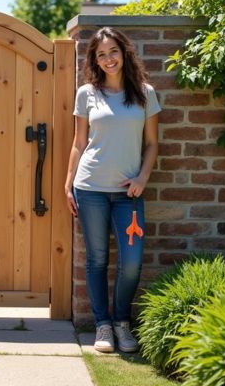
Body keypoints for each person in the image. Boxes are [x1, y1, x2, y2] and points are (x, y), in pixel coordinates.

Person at [64, 27, 160, 353]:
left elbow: (151, 144)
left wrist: (142, 178)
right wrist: (68, 183)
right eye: (101, 54)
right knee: (96, 260)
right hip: (89, 188)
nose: (108, 59)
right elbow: (79, 144)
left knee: (131, 261)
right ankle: (103, 326)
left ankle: (122, 323)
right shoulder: (86, 93)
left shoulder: (145, 93)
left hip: (128, 194)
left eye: (113, 52)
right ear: (94, 59)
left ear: (124, 52)